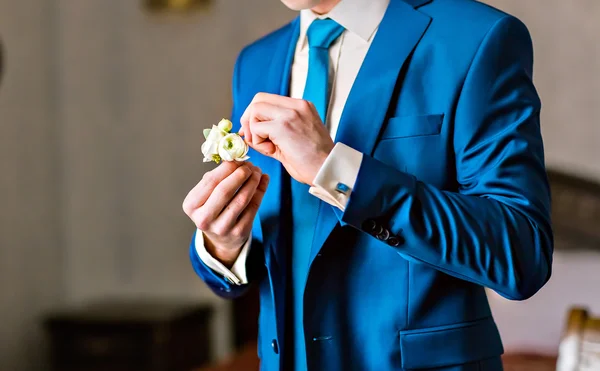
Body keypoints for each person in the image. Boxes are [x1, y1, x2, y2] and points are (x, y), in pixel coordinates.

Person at [182, 0, 553, 370]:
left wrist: (340, 171)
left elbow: (521, 255)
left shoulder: (476, 37)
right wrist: (223, 245)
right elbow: (276, 250)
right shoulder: (256, 61)